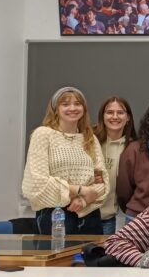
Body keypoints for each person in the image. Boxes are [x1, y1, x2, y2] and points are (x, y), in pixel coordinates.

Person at [22, 87, 108, 235]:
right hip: (55, 216)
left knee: (93, 258)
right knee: (59, 258)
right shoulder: (43, 135)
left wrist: (83, 200)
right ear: (55, 108)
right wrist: (80, 190)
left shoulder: (90, 139)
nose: (72, 108)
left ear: (84, 108)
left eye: (78, 103)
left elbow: (101, 180)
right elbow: (36, 182)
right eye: (65, 104)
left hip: (89, 214)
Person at [94, 96, 137, 235]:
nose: (115, 116)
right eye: (110, 112)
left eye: (120, 112)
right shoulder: (89, 140)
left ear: (128, 117)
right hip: (82, 214)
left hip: (108, 217)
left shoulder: (133, 147)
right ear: (102, 116)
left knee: (103, 256)